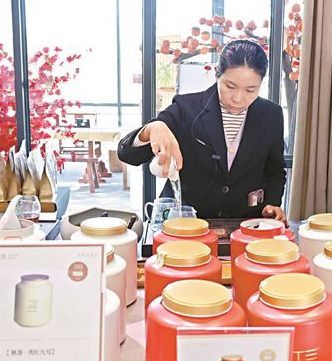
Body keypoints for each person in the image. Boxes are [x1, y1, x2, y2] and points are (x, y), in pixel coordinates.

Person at [118, 39, 287, 223]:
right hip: (186, 223)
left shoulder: (271, 114)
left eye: (250, 90)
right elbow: (127, 154)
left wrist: (272, 204)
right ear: (217, 73)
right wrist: (152, 129)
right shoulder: (186, 107)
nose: (238, 98)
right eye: (230, 86)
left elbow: (275, 171)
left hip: (245, 224)